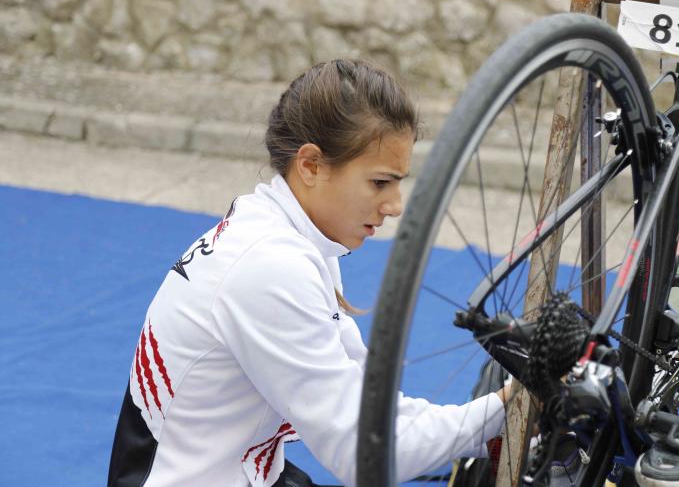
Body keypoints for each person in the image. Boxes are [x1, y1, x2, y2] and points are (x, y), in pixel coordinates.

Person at [107, 59, 509, 487]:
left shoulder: (290, 233)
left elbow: (368, 405)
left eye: (398, 182)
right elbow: (362, 453)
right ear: (311, 165)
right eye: (380, 183)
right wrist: (500, 411)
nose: (395, 205)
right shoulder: (270, 267)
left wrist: (486, 423)